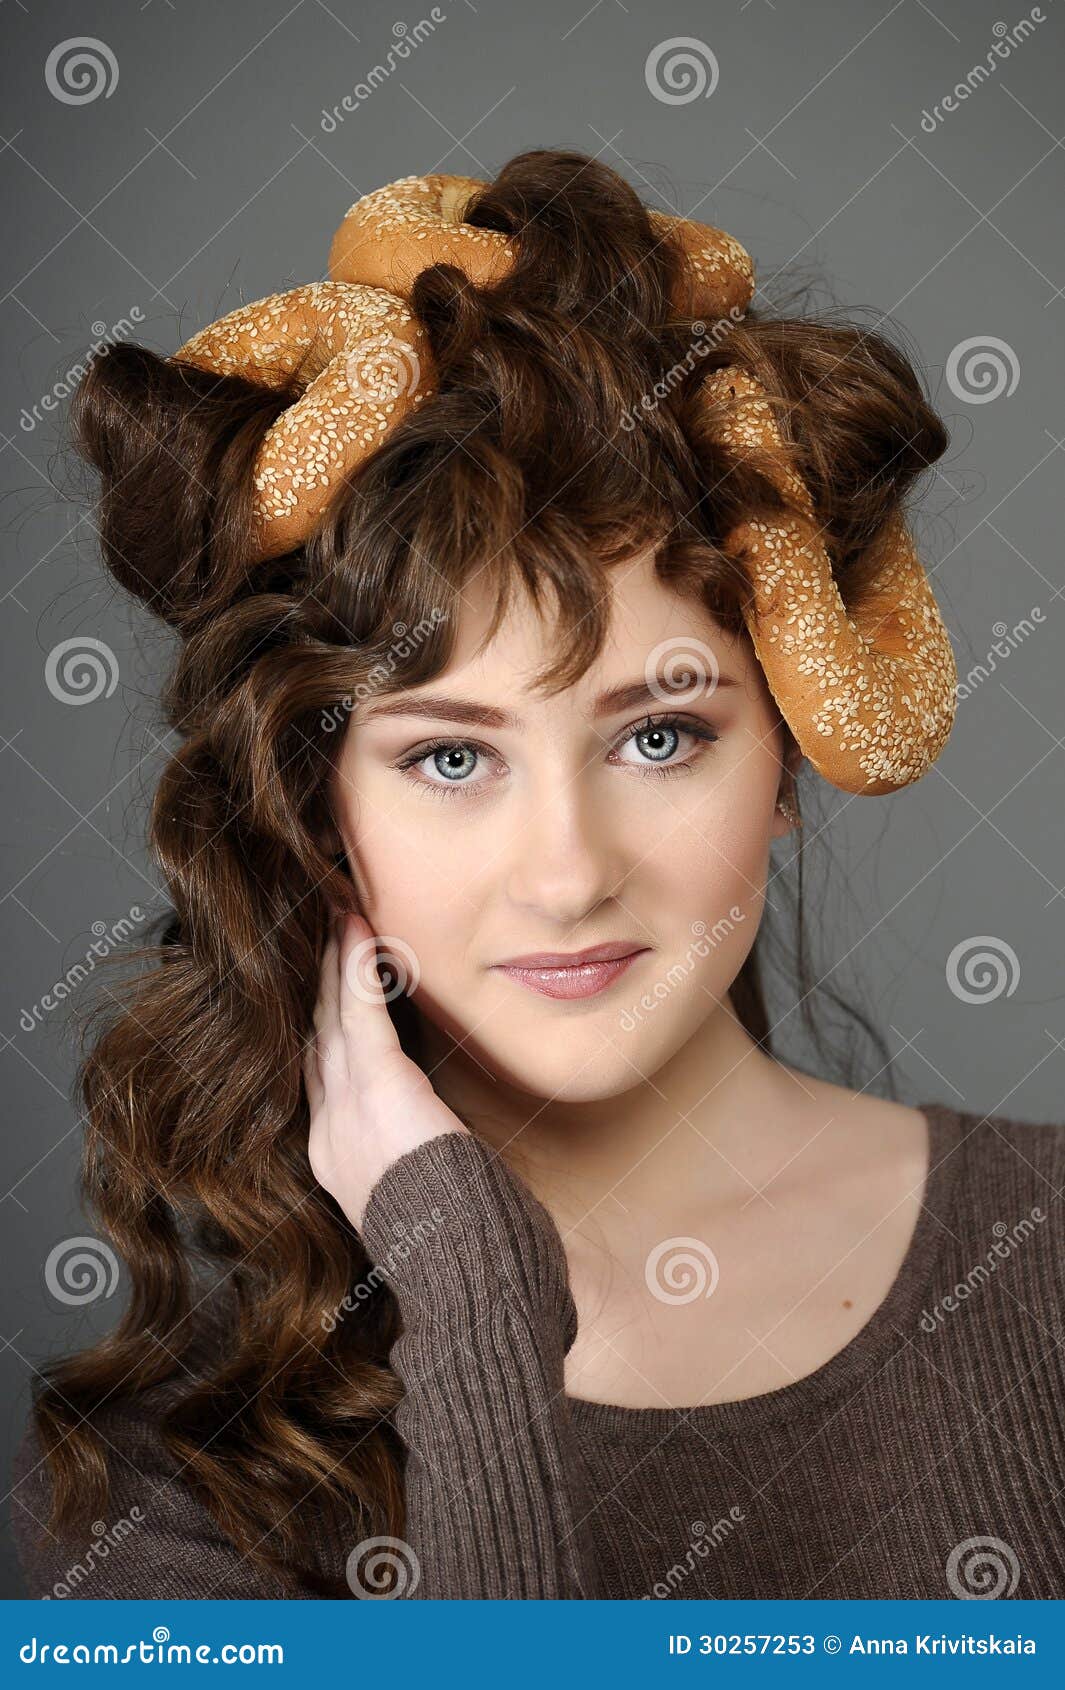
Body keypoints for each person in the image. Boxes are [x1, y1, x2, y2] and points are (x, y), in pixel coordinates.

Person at [12, 149, 1065, 1602]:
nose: (567, 876)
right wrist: (469, 1289)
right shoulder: (166, 1476)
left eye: (658, 734)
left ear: (783, 768)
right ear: (312, 806)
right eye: (451, 758)